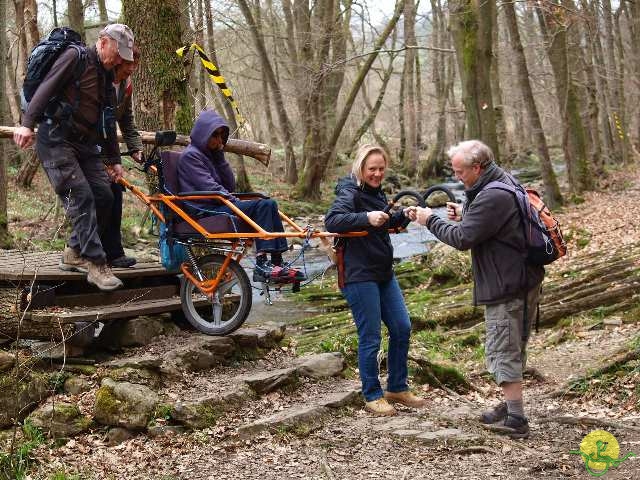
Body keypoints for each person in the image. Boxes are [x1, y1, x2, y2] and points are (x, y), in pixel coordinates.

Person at [409, 140, 544, 439]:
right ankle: (509, 406)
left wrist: (430, 220)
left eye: (460, 172)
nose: (457, 178)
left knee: (503, 347)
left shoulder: (492, 195)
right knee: (513, 344)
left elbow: (462, 239)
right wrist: (466, 211)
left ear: (477, 167)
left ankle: (517, 419)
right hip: (522, 278)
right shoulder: (503, 180)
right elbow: (487, 224)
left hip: (506, 284)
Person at [13, 24, 136, 291]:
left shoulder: (106, 75)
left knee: (105, 195)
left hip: (85, 144)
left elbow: (108, 117)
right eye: (117, 53)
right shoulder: (74, 56)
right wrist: (27, 123)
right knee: (80, 195)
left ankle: (73, 252)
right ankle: (96, 263)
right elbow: (47, 87)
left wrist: (114, 159)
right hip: (56, 138)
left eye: (123, 57)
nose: (118, 61)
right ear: (103, 42)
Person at [324, 144, 427, 416]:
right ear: (361, 168)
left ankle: (397, 387)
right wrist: (367, 217)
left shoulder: (376, 191)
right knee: (370, 336)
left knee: (402, 327)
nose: (377, 173)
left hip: (382, 272)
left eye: (381, 169)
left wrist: (401, 216)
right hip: (359, 275)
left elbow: (382, 224)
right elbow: (333, 221)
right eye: (372, 169)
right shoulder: (349, 191)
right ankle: (372, 394)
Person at [177, 109, 305, 282]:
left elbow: (229, 185)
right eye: (215, 135)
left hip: (218, 204)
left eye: (221, 136)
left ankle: (276, 261)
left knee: (269, 204)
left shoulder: (210, 156)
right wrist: (233, 200)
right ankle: (261, 263)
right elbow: (209, 187)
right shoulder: (190, 156)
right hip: (204, 210)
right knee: (264, 205)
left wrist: (220, 157)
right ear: (203, 134)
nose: (219, 140)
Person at [101, 45, 143, 268]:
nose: (132, 69)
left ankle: (114, 253)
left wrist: (135, 147)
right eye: (129, 64)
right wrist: (104, 162)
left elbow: (126, 120)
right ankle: (90, 252)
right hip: (91, 148)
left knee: (116, 194)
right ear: (118, 62)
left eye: (135, 65)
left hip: (109, 149)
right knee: (102, 195)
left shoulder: (126, 86)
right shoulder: (100, 81)